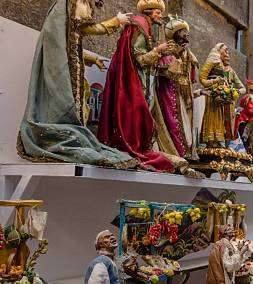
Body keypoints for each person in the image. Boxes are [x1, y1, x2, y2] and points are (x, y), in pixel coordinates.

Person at [18, 0, 135, 169]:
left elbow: (71, 42)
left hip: (72, 67)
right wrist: (116, 21)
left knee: (79, 105)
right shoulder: (74, 3)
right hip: (65, 70)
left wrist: (92, 58)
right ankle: (61, 139)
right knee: (67, 102)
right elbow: (83, 30)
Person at [97, 0, 180, 172]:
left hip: (140, 78)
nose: (160, 15)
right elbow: (139, 59)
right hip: (133, 81)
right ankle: (133, 146)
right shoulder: (140, 25)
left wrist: (161, 52)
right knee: (136, 112)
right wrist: (158, 51)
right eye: (158, 12)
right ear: (149, 11)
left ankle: (140, 146)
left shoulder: (146, 27)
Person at [153, 16, 199, 160]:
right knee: (173, 122)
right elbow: (165, 72)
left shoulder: (187, 54)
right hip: (170, 92)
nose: (186, 35)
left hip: (184, 95)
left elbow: (191, 77)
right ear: (176, 34)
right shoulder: (168, 50)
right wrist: (177, 58)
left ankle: (186, 153)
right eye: (183, 32)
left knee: (186, 124)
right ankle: (177, 153)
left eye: (187, 33)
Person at [198, 43, 246, 147]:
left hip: (225, 98)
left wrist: (233, 91)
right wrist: (215, 81)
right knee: (213, 117)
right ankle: (211, 141)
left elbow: (242, 88)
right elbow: (202, 78)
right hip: (212, 95)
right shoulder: (213, 61)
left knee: (224, 121)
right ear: (219, 51)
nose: (227, 53)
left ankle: (220, 141)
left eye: (228, 51)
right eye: (225, 50)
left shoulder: (230, 71)